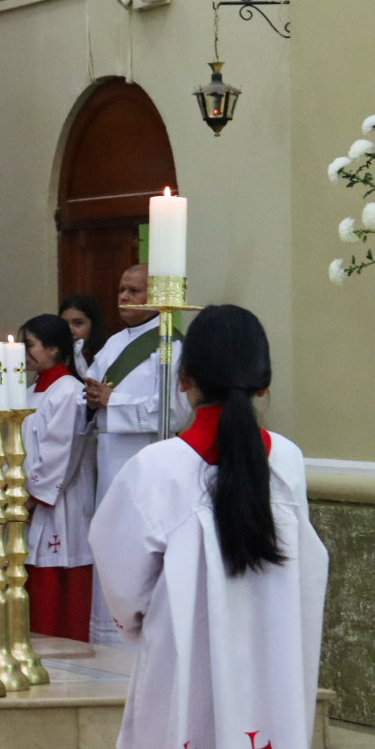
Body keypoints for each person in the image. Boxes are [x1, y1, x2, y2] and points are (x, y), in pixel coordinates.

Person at [90, 305, 328, 749]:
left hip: (183, 663)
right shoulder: (287, 461)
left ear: (184, 380)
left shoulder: (157, 468)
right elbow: (308, 570)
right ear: (265, 382)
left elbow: (122, 586)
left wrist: (146, 621)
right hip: (271, 663)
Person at [82, 264, 192, 643]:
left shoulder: (171, 346)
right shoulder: (113, 343)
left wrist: (115, 401)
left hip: (143, 463)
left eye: (134, 291)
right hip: (107, 464)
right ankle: (107, 641)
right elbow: (91, 397)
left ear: (157, 297)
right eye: (121, 289)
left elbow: (177, 411)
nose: (124, 298)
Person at [19, 313, 95, 642]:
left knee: (59, 584)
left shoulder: (69, 391)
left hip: (59, 502)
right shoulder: (31, 391)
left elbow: (60, 451)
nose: (23, 351)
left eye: (29, 344)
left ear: (53, 349)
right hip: (32, 500)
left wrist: (32, 496)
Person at [59, 293, 108, 369]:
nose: (70, 331)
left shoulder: (107, 357)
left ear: (93, 325)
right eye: (64, 324)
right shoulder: (54, 359)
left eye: (78, 323)